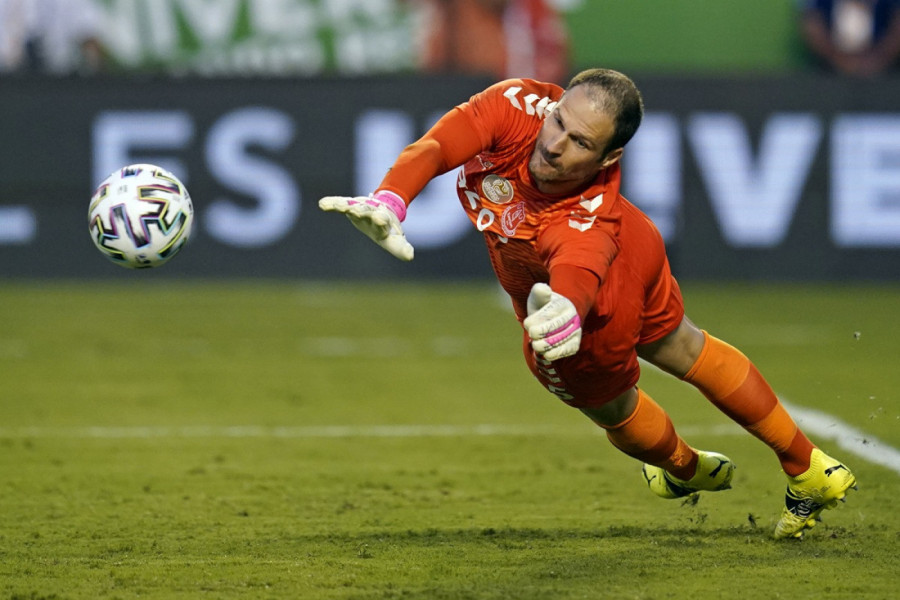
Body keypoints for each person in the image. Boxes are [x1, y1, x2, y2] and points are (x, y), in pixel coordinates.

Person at [319, 68, 857, 539]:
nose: (554, 144)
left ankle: (686, 468)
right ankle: (808, 466)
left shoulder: (585, 216)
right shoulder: (515, 105)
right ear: (551, 105)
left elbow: (579, 266)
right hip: (634, 238)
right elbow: (438, 145)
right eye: (558, 122)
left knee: (606, 402)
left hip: (596, 286)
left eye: (579, 142)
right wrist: (390, 197)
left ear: (610, 156)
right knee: (683, 344)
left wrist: (569, 310)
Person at [409, 0, 570, 84]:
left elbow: (554, 63)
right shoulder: (453, 14)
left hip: (519, 111)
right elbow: (434, 76)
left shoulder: (533, 10)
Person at [0, 0, 107, 75]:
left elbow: (88, 34)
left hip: (56, 80)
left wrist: (94, 74)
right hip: (8, 79)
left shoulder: (71, 2)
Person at [797, 0, 900, 76]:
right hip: (827, 71)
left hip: (886, 72)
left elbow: (897, 28)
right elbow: (812, 25)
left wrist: (877, 60)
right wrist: (840, 60)